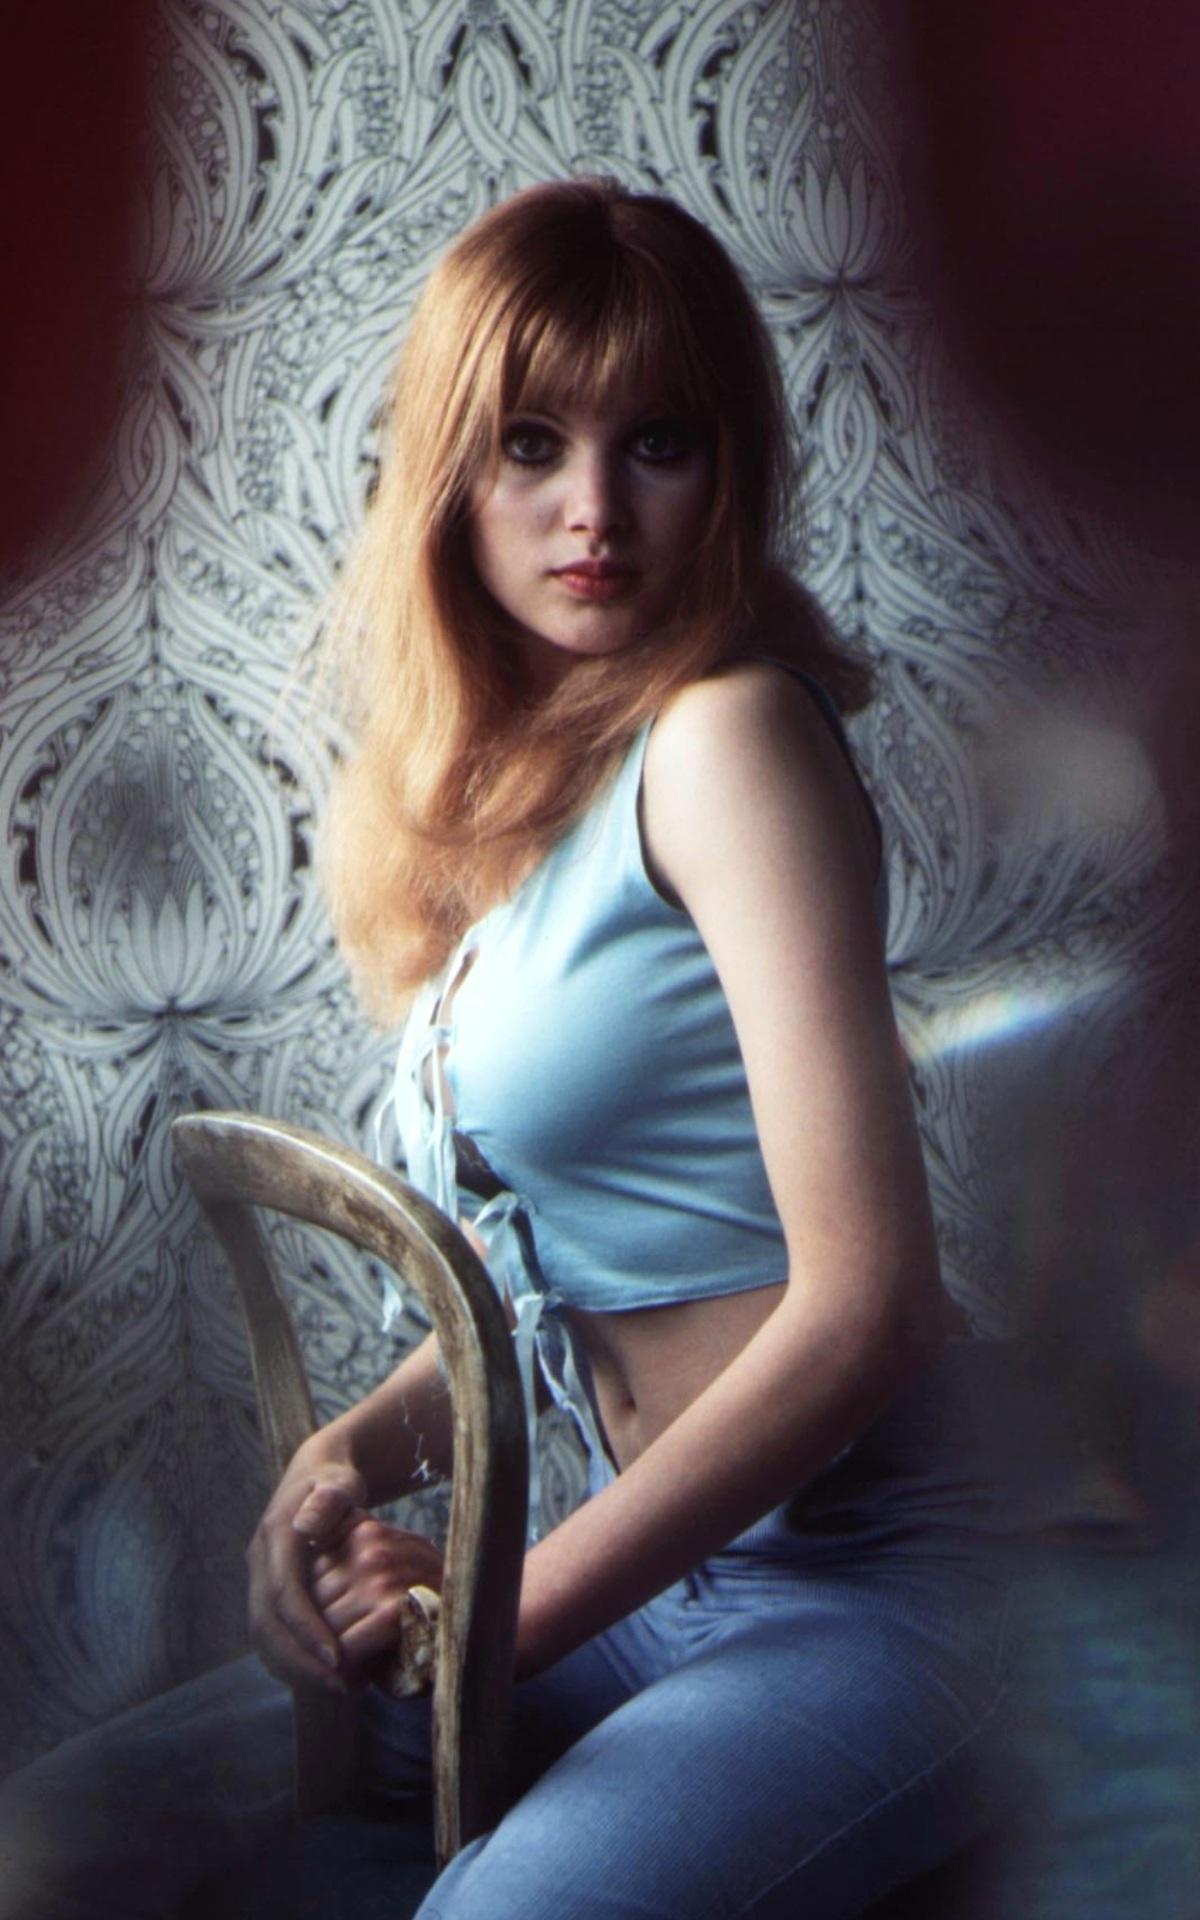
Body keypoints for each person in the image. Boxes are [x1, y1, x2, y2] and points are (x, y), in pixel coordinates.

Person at [0, 178, 1011, 1920]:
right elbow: (552, 1279)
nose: (593, 509)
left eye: (659, 441)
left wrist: (497, 1613)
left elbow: (871, 1310)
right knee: (75, 1840)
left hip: (874, 1588)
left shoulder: (731, 739)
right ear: (451, 476)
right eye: (531, 444)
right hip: (641, 1579)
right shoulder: (539, 799)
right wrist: (337, 1468)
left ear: (730, 470)